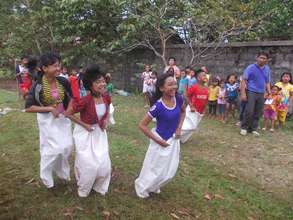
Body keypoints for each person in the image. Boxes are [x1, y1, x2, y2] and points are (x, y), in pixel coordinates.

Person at [25, 52, 73, 189]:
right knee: (53, 149)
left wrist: (69, 109)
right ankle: (46, 177)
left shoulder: (63, 81)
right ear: (45, 68)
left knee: (67, 147)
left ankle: (63, 174)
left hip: (62, 119)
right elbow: (28, 108)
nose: (58, 68)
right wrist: (49, 109)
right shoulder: (38, 86)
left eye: (59, 65)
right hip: (47, 121)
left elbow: (71, 98)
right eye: (55, 66)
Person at [135, 73, 186, 198]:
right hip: (160, 140)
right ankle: (143, 187)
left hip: (173, 140)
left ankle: (154, 185)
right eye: (170, 84)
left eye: (175, 83)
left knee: (168, 170)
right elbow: (142, 125)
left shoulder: (178, 98)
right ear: (161, 88)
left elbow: (183, 112)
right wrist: (158, 141)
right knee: (154, 168)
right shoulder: (158, 106)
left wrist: (179, 128)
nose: (174, 86)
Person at [65, 64, 112, 197]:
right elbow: (68, 113)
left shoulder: (106, 97)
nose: (102, 84)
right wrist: (84, 125)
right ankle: (84, 187)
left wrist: (105, 120)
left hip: (99, 134)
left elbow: (107, 110)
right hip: (85, 133)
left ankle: (99, 185)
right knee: (88, 164)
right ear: (90, 86)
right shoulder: (85, 101)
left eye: (103, 81)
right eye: (98, 82)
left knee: (103, 163)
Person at [240, 52, 271, 136]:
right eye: (261, 57)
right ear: (256, 58)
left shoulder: (267, 69)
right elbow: (244, 80)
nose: (262, 59)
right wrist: (243, 93)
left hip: (261, 92)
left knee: (258, 111)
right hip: (251, 91)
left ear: (267, 60)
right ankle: (244, 127)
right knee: (249, 110)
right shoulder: (250, 67)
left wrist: (269, 92)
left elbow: (267, 82)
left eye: (264, 58)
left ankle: (253, 128)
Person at [180, 70, 209, 143]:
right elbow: (186, 95)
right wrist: (191, 105)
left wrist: (205, 109)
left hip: (200, 112)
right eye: (203, 75)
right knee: (189, 126)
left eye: (205, 75)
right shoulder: (194, 87)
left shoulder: (206, 88)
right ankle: (174, 135)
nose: (205, 77)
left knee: (193, 127)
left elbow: (206, 100)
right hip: (192, 110)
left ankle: (181, 140)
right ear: (198, 78)